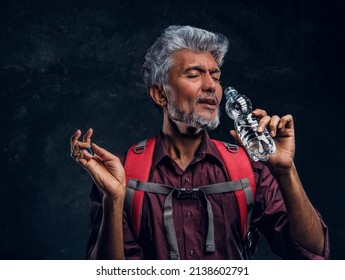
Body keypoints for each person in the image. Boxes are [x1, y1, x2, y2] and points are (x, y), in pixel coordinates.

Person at [70, 25, 329, 260]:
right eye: (194, 75)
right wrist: (113, 199)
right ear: (160, 94)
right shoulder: (121, 174)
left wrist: (286, 171)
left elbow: (313, 256)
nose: (211, 86)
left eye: (216, 76)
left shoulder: (250, 169)